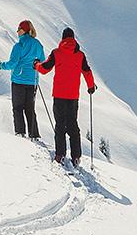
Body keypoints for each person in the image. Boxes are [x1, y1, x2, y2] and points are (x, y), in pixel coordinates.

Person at [36, 26, 97, 166]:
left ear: (63, 38)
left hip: (59, 95)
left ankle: (60, 155)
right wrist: (91, 87)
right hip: (73, 96)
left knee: (60, 125)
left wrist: (36, 65)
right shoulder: (80, 55)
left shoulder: (56, 53)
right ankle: (76, 157)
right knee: (72, 125)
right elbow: (87, 71)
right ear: (73, 39)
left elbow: (45, 68)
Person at [0, 20, 45, 140]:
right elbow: (42, 60)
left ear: (24, 30)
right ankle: (34, 135)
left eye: (19, 29)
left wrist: (0, 65)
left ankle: (20, 133)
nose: (17, 31)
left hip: (19, 80)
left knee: (18, 108)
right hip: (33, 81)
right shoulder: (38, 44)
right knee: (30, 108)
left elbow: (12, 64)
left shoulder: (18, 46)